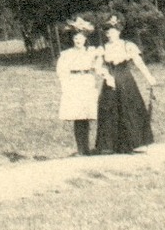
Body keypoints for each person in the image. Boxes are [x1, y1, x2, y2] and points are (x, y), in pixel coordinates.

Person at [94, 13, 157, 154]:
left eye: (112, 31)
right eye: (107, 31)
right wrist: (106, 75)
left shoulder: (127, 46)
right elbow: (97, 66)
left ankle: (135, 143)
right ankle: (111, 145)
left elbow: (139, 63)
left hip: (125, 80)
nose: (109, 34)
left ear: (119, 31)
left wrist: (149, 77)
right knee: (110, 110)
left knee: (129, 108)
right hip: (110, 81)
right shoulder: (103, 48)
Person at [55, 16, 103, 155]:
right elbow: (61, 71)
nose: (78, 41)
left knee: (87, 114)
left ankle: (87, 148)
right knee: (78, 116)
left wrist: (99, 56)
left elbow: (98, 64)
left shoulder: (91, 51)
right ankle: (81, 148)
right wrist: (66, 85)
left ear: (85, 39)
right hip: (74, 82)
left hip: (87, 81)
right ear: (73, 40)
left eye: (80, 38)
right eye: (76, 38)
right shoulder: (67, 54)